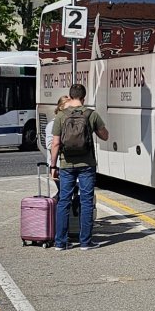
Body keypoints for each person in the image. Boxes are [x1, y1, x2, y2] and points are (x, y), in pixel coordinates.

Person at [49, 83, 109, 251]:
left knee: (64, 201)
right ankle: (85, 242)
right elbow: (105, 136)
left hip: (66, 164)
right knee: (86, 201)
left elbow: (55, 144)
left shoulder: (61, 116)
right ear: (84, 97)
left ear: (70, 95)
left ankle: (60, 242)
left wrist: (53, 166)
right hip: (87, 164)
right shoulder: (91, 114)